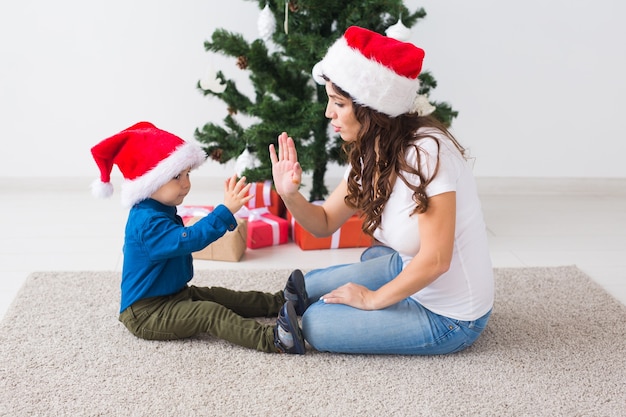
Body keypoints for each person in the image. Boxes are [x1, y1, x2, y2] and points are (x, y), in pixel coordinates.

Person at [269, 26, 494, 355]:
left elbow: (436, 260)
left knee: (317, 322)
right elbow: (324, 223)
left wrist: (372, 299)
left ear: (371, 109)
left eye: (338, 103)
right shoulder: (372, 149)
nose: (328, 113)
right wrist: (290, 194)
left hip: (452, 317)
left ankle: (378, 294)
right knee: (311, 285)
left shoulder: (427, 154)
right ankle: (377, 279)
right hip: (407, 265)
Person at [90, 121, 307, 354]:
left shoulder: (158, 209)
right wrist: (225, 211)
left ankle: (280, 301)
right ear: (150, 182)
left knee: (218, 296)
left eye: (187, 174)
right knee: (208, 313)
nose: (186, 184)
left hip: (174, 294)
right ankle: (275, 340)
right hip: (146, 313)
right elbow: (189, 239)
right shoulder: (147, 224)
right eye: (176, 176)